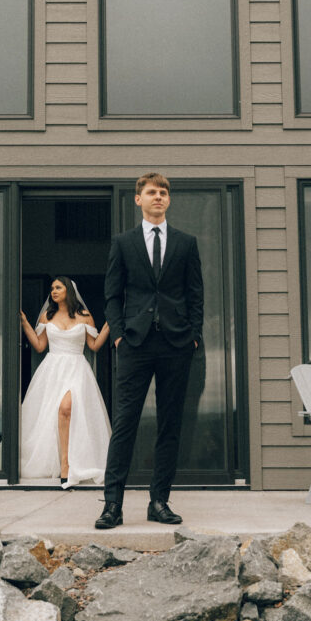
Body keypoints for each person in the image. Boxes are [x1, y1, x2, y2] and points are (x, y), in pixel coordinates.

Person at [96, 172, 204, 528]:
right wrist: (118, 336)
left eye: (162, 193)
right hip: (135, 344)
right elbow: (112, 294)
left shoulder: (186, 243)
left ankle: (159, 501)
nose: (158, 197)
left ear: (168, 200)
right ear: (138, 199)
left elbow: (195, 294)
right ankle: (113, 505)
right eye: (151, 192)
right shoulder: (123, 243)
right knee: (125, 423)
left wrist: (194, 335)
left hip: (176, 344)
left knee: (169, 424)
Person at [20, 276, 111, 488]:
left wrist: (110, 325)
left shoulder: (85, 316)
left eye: (58, 287)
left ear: (68, 291)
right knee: (55, 414)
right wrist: (25, 324)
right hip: (52, 370)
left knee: (66, 408)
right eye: (52, 288)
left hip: (77, 369)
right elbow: (40, 346)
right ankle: (63, 465)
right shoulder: (46, 316)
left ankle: (68, 464)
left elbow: (95, 345)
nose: (53, 291)